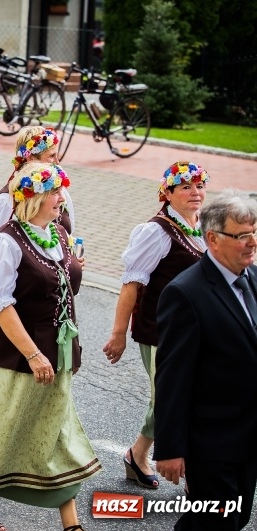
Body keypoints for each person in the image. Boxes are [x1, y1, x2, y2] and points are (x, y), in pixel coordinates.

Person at [0, 162, 99, 531]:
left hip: (58, 351)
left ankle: (70, 521)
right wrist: (33, 354)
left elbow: (60, 290)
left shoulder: (56, 235)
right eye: (55, 193)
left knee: (57, 431)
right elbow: (1, 305)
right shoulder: (5, 242)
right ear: (33, 198)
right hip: (14, 354)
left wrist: (75, 268)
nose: (62, 199)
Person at [102, 162, 209, 490]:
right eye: (186, 187)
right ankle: (197, 484)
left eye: (199, 185)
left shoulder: (201, 225)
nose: (195, 192)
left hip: (196, 331)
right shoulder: (156, 231)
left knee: (171, 397)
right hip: (161, 332)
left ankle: (137, 454)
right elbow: (131, 284)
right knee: (176, 399)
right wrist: (118, 333)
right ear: (168, 193)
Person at [155, 191, 257, 531]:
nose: (252, 242)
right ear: (212, 238)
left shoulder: (252, 279)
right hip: (210, 439)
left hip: (247, 433)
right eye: (242, 235)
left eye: (254, 231)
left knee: (236, 516)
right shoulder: (185, 293)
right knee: (217, 520)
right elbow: (172, 377)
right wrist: (170, 448)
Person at [0, 126, 72, 247]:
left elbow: (69, 231)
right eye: (51, 156)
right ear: (31, 159)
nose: (57, 162)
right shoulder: (7, 201)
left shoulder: (60, 193)